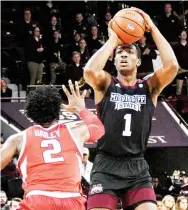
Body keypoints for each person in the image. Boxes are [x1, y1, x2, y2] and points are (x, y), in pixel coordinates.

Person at [84, 7, 179, 210]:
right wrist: (113, 41)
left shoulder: (149, 87)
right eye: (120, 53)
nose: (124, 55)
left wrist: (152, 28)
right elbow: (90, 71)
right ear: (114, 59)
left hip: (136, 166)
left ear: (138, 61)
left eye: (129, 52)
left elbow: (172, 66)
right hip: (106, 165)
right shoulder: (106, 83)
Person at [0, 80, 105, 210]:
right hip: (71, 199)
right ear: (58, 111)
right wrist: (80, 109)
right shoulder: (75, 132)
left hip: (37, 199)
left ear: (30, 113)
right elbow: (99, 129)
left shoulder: (18, 138)